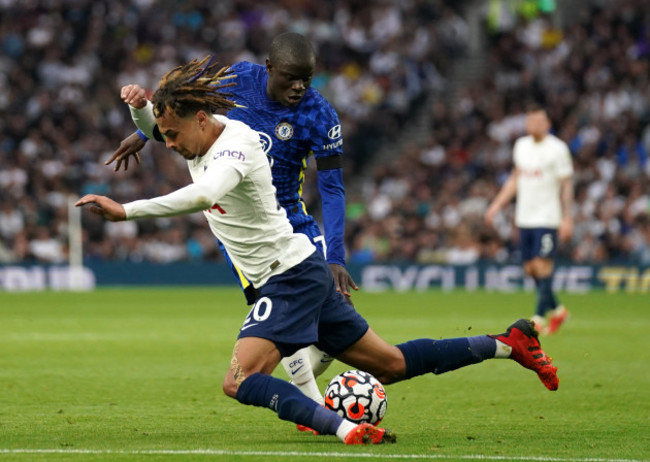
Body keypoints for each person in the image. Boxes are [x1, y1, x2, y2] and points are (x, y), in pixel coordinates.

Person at [76, 57, 559, 445]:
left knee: (239, 380)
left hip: (287, 276)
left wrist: (126, 211)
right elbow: (161, 129)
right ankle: (509, 342)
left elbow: (204, 196)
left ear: (201, 120)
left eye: (176, 135)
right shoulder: (197, 133)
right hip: (298, 271)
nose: (172, 145)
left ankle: (342, 427)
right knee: (389, 364)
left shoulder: (235, 148)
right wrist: (141, 113)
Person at [109, 33, 356, 411]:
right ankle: (315, 409)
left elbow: (333, 190)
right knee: (278, 321)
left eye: (307, 78)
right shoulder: (240, 79)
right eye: (291, 77)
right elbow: (182, 104)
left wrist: (336, 255)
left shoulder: (320, 115)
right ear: (269, 68)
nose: (299, 87)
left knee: (334, 327)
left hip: (293, 222)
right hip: (241, 232)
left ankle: (315, 400)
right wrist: (146, 131)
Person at [485, 104, 574, 335]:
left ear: (548, 124)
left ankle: (538, 318)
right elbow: (515, 180)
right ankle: (558, 310)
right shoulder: (521, 146)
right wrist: (496, 205)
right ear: (526, 124)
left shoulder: (557, 149)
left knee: (543, 265)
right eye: (531, 121)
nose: (534, 125)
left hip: (548, 216)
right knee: (531, 268)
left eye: (539, 121)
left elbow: (566, 185)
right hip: (524, 216)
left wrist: (567, 217)